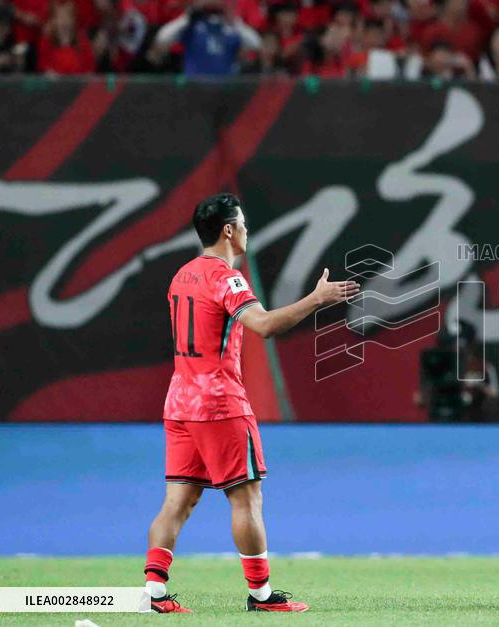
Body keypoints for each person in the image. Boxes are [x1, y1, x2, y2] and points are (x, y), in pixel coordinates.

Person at [143, 193, 360, 613]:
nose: (246, 231)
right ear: (228, 230)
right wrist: (317, 299)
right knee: (246, 499)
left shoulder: (182, 275)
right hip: (220, 404)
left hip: (179, 402)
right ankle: (261, 595)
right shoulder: (228, 278)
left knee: (177, 501)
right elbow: (263, 325)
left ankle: (154, 595)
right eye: (241, 224)